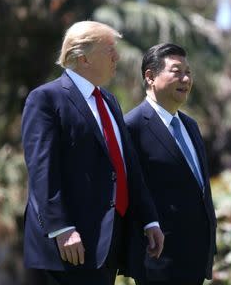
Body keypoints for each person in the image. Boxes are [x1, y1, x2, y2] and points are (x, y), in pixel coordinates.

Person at [21, 21, 164, 285]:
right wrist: (61, 228)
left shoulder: (109, 101)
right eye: (109, 49)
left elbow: (127, 166)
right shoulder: (45, 99)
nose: (117, 57)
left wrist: (149, 220)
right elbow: (42, 169)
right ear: (83, 57)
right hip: (64, 247)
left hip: (104, 243)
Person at [124, 43, 217, 285]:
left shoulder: (191, 126)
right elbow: (131, 191)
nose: (186, 78)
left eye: (188, 72)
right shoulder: (132, 127)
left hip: (196, 257)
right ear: (150, 77)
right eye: (176, 72)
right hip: (158, 260)